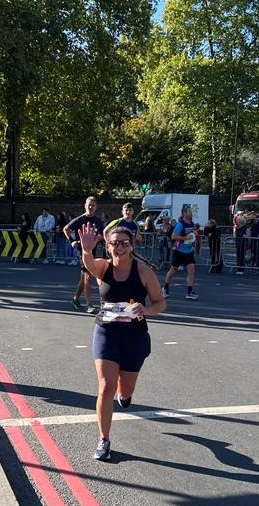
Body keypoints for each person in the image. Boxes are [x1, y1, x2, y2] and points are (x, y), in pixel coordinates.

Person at [77, 219, 166, 461]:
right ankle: (104, 439)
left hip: (134, 337)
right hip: (106, 333)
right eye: (115, 244)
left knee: (124, 390)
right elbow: (88, 263)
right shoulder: (103, 268)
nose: (120, 247)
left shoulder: (143, 272)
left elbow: (160, 303)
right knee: (106, 386)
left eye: (124, 243)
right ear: (108, 247)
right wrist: (86, 249)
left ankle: (125, 397)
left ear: (132, 245)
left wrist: (145, 310)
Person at [64, 197, 104, 313]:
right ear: (85, 205)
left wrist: (97, 238)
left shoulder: (98, 220)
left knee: (84, 276)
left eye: (93, 205)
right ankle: (89, 304)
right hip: (81, 251)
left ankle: (75, 299)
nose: (91, 207)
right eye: (89, 205)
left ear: (96, 207)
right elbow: (66, 228)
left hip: (93, 251)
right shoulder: (80, 219)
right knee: (88, 275)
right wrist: (72, 240)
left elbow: (102, 234)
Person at [163, 205, 199, 299]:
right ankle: (165, 288)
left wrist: (194, 233)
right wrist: (184, 238)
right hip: (179, 250)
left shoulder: (191, 223)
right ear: (184, 213)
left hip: (189, 251)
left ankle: (189, 293)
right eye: (189, 212)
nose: (191, 213)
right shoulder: (180, 224)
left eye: (191, 211)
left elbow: (191, 233)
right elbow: (173, 236)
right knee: (173, 270)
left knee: (191, 270)